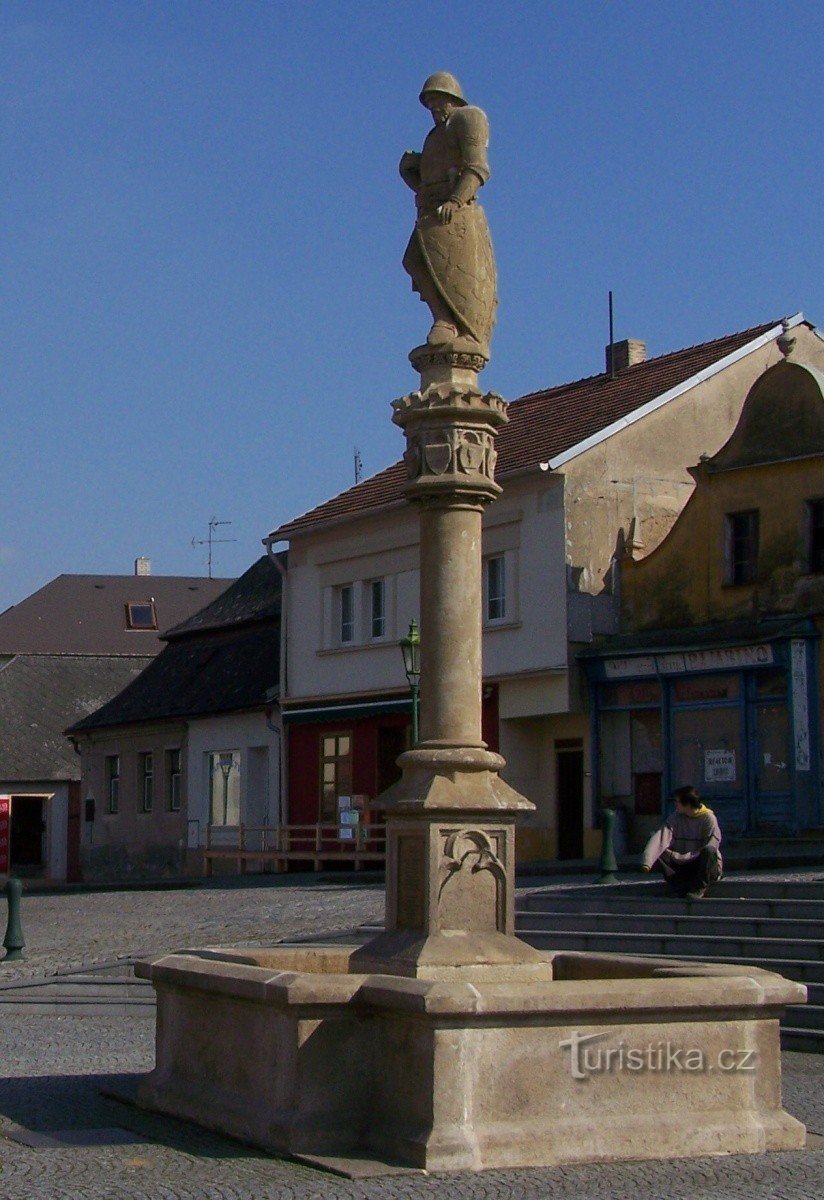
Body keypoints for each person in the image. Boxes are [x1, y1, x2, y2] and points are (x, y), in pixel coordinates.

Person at [399, 72, 497, 359]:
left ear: (451, 98)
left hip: (455, 211)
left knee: (457, 271)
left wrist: (456, 200)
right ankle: (442, 319)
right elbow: (425, 181)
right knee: (415, 262)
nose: (434, 109)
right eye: (429, 103)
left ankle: (457, 325)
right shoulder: (434, 135)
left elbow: (477, 168)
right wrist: (411, 168)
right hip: (430, 209)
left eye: (437, 101)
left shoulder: (468, 118)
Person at [641, 786, 722, 898]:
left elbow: (712, 843)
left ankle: (699, 888)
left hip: (701, 865)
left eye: (677, 802)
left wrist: (688, 857)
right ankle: (679, 886)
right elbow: (661, 837)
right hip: (684, 863)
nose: (675, 804)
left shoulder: (708, 818)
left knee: (709, 851)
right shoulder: (676, 817)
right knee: (660, 851)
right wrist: (647, 861)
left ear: (687, 804)